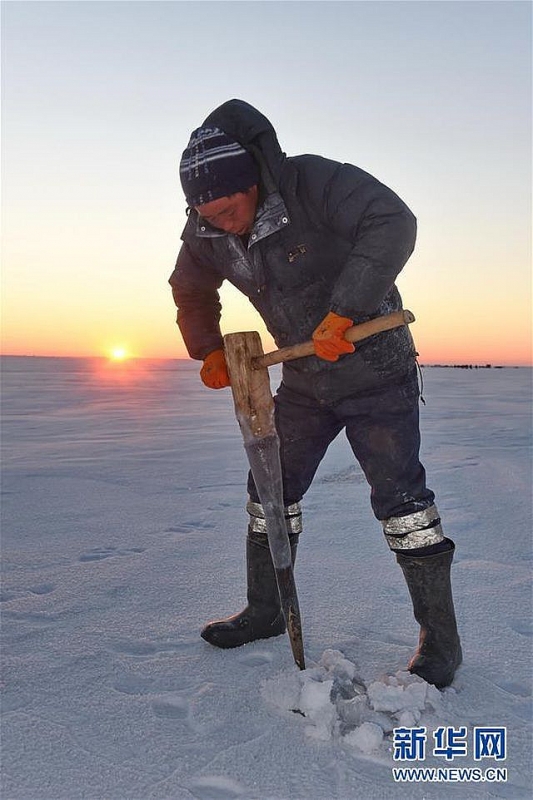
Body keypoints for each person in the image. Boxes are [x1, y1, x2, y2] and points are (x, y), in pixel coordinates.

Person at [169, 99, 462, 689]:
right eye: (207, 214)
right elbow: (190, 288)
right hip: (305, 379)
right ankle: (266, 610)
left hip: (376, 367)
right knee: (269, 490)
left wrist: (346, 309)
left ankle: (440, 641)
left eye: (228, 210)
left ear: (252, 182)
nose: (222, 224)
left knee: (403, 502)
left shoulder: (312, 183)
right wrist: (209, 349)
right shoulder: (206, 228)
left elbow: (392, 221)